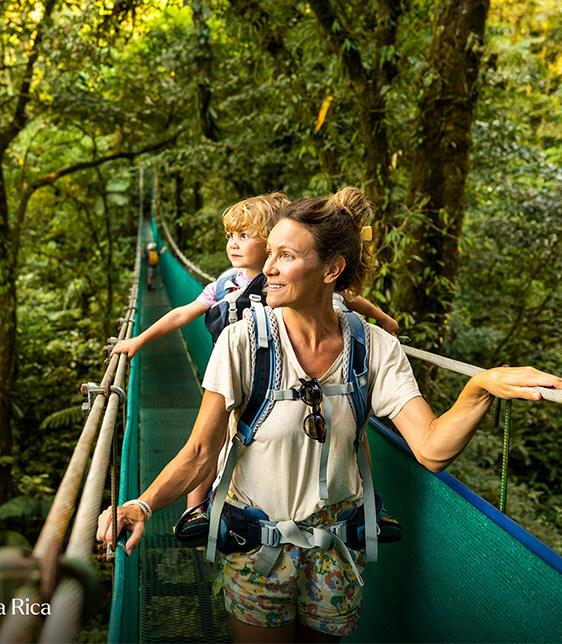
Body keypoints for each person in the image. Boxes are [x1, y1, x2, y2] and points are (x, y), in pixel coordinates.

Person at [98, 187, 562, 643]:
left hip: (336, 551)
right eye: (270, 253)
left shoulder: (373, 348)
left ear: (332, 269)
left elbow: (432, 449)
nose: (268, 269)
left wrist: (479, 388)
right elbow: (201, 452)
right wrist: (142, 504)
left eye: (286, 256)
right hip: (254, 544)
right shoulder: (240, 341)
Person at [114, 192, 399, 540]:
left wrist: (383, 320)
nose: (233, 244)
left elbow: (344, 295)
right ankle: (196, 509)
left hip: (290, 379)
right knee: (211, 441)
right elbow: (182, 313)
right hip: (238, 378)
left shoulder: (290, 284)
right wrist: (138, 341)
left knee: (352, 430)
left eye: (244, 236)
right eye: (230, 236)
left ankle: (369, 507)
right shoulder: (226, 284)